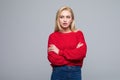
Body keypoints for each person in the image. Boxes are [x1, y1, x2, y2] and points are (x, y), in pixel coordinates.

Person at [47, 6, 87, 80]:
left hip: (75, 73)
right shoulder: (53, 36)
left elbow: (81, 54)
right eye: (62, 17)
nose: (65, 20)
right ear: (58, 19)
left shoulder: (78, 34)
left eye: (68, 17)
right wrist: (74, 58)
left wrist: (59, 52)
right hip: (58, 73)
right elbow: (52, 58)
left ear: (72, 19)